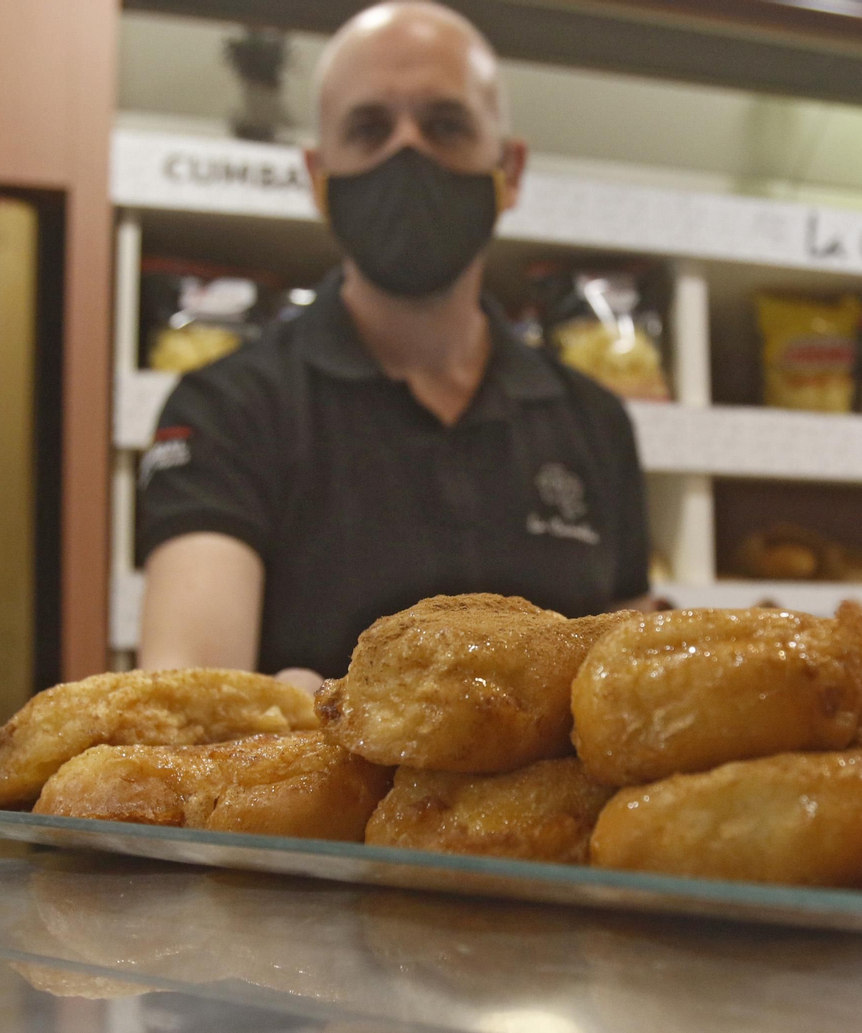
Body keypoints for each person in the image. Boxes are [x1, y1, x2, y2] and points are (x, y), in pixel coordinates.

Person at [135, 1, 650, 690]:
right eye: (370, 127)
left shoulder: (595, 422)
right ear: (319, 177)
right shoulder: (225, 409)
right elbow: (186, 705)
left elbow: (632, 692)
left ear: (511, 169)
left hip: (552, 806)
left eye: (445, 124)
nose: (407, 152)